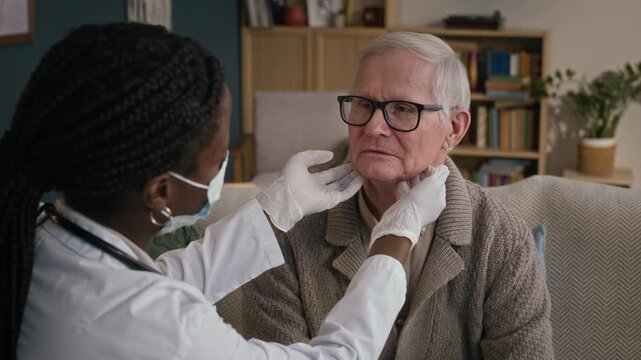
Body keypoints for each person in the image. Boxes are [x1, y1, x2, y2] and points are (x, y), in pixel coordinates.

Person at [0, 23, 452, 360]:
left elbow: (162, 277)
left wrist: (279, 209)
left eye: (401, 109)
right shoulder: (165, 330)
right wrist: (395, 240)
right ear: (160, 191)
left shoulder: (40, 236)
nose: (375, 126)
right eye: (219, 159)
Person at [241, 31, 554, 359]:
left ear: (455, 128)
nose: (374, 127)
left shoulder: (502, 241)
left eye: (402, 109)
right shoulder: (286, 235)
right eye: (364, 104)